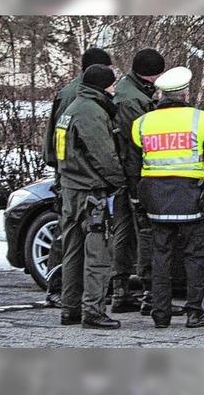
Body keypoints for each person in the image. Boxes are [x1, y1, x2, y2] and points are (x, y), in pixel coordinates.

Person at [132, 66, 204, 328]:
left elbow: (131, 165)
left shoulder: (142, 123)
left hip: (156, 202)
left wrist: (136, 198)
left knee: (160, 257)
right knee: (196, 257)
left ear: (161, 95)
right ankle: (196, 312)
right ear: (185, 94)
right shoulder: (200, 119)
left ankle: (160, 314)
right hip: (192, 199)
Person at [55, 64, 126, 329]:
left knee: (72, 252)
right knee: (97, 254)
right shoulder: (91, 112)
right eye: (112, 85)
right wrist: (121, 182)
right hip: (90, 193)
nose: (114, 90)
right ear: (103, 86)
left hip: (71, 190)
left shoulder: (72, 108)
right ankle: (93, 311)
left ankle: (70, 308)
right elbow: (104, 156)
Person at [41, 48, 113, 308]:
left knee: (70, 238)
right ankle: (65, 292)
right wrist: (117, 179)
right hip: (84, 179)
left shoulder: (70, 93)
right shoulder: (85, 101)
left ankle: (66, 297)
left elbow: (52, 138)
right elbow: (98, 148)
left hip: (67, 175)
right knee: (86, 244)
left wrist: (59, 167)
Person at [111, 48, 168, 315]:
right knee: (143, 232)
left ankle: (121, 290)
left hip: (124, 174)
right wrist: (137, 186)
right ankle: (149, 294)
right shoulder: (133, 100)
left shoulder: (128, 90)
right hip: (134, 176)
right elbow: (136, 145)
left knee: (123, 232)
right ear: (152, 76)